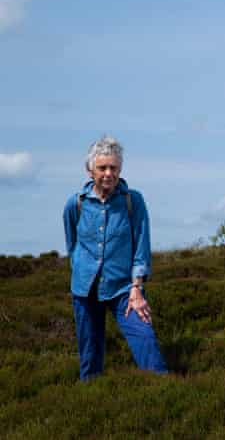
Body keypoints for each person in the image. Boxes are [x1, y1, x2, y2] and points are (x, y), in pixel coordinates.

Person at [62, 135, 167, 380]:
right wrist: (80, 270)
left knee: (145, 340)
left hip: (124, 289)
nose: (108, 173)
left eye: (114, 168)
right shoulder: (75, 204)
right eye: (102, 168)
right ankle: (92, 396)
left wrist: (137, 288)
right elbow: (72, 245)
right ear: (90, 170)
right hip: (85, 290)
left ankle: (165, 390)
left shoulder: (133, 200)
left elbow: (141, 246)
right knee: (90, 355)